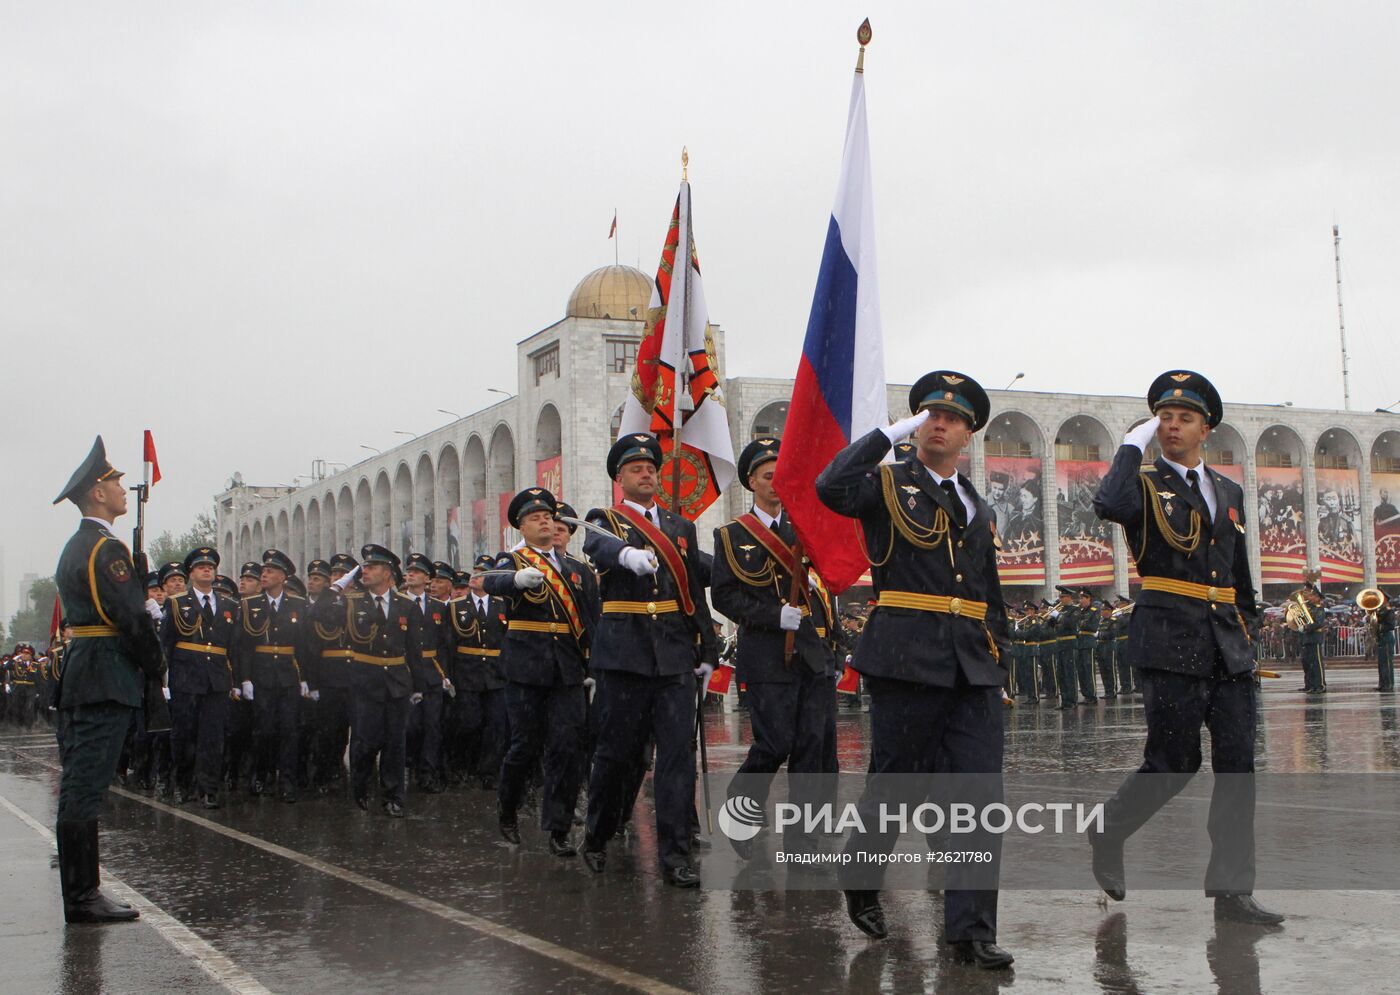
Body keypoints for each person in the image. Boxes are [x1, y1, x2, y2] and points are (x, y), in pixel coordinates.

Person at [817, 371, 1014, 969]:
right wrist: (882, 434)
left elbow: (988, 591)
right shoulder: (886, 484)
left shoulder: (976, 502)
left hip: (972, 667)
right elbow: (830, 486)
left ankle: (970, 931)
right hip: (907, 657)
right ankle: (860, 871)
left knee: (979, 798)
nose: (939, 422)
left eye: (952, 418)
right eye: (929, 413)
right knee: (895, 789)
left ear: (969, 434)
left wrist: (1001, 663)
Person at [1087, 370, 1283, 926]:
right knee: (1174, 762)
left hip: (1226, 642)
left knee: (1238, 767)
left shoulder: (1231, 491)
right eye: (1164, 417)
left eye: (1184, 418)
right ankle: (1109, 828)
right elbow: (1108, 502)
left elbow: (1237, 572)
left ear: (1207, 428)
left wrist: (1246, 626)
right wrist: (1131, 444)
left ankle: (1231, 892)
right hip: (1170, 637)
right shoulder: (1143, 484)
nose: (1172, 426)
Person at [580, 433, 719, 888]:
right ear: (619, 478)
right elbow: (595, 548)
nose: (646, 474)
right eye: (636, 468)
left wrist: (707, 650)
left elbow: (693, 594)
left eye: (651, 468)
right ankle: (598, 835)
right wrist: (625, 554)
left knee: (676, 759)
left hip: (674, 656)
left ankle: (675, 856)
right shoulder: (606, 521)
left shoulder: (680, 528)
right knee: (618, 756)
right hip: (625, 657)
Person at [51, 436, 165, 923]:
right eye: (114, 481)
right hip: (105, 673)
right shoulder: (105, 549)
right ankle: (82, 897)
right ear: (97, 493)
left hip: (87, 670)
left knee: (83, 782)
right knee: (86, 786)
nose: (122, 488)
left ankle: (84, 893)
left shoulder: (81, 545)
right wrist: (157, 664)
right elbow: (131, 620)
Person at [711, 436, 837, 857]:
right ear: (752, 481)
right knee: (774, 743)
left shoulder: (804, 529)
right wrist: (771, 615)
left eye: (781, 475)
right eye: (768, 476)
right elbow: (725, 597)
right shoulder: (731, 535)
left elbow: (824, 588)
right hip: (766, 655)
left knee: (811, 751)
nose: (776, 483)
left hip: (811, 655)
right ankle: (740, 810)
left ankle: (805, 841)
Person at [481, 488, 592, 855]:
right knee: (524, 746)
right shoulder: (513, 560)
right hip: (526, 667)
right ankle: (508, 807)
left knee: (565, 748)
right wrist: (515, 580)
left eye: (548, 516)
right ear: (521, 528)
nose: (545, 521)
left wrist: (593, 663)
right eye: (535, 518)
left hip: (567, 669)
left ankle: (558, 828)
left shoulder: (576, 570)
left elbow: (593, 618)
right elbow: (491, 581)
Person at [314, 545, 426, 817]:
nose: (365, 570)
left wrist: (418, 687)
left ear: (387, 573)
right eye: (364, 566)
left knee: (395, 742)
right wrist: (336, 588)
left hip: (397, 681)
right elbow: (316, 615)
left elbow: (414, 650)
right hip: (364, 680)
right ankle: (361, 787)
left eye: (372, 567)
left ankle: (393, 796)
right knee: (365, 741)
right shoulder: (352, 602)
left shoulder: (406, 605)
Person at [160, 547, 237, 808]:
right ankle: (184, 784)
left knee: (213, 737)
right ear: (191, 573)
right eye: (201, 566)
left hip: (216, 678)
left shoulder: (229, 605)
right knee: (184, 735)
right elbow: (167, 644)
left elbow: (234, 647)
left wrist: (236, 680)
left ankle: (210, 788)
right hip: (186, 677)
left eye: (210, 566)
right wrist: (165, 680)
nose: (207, 569)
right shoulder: (176, 603)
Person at [232, 549, 310, 802]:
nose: (264, 575)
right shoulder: (249, 604)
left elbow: (306, 646)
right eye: (264, 571)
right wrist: (244, 679)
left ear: (283, 577)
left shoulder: (298, 604)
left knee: (289, 730)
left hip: (288, 674)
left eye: (270, 572)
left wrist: (307, 678)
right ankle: (260, 775)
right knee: (262, 730)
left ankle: (287, 781)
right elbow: (242, 646)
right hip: (261, 674)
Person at [446, 555, 509, 789]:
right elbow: (448, 643)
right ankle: (462, 765)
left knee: (496, 725)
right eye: (475, 571)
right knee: (468, 723)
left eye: (483, 573)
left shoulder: (502, 605)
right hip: (467, 672)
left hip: (495, 674)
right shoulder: (456, 606)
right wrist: (449, 674)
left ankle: (489, 771)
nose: (476, 576)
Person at [403, 552, 451, 793]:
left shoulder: (438, 608)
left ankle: (428, 774)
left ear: (427, 579)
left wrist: (444, 673)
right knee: (410, 726)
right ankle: (408, 762)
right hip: (406, 673)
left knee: (433, 726)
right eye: (409, 571)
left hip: (432, 672)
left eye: (417, 572)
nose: (410, 574)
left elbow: (444, 643)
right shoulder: (398, 602)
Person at [1297, 586, 1327, 693]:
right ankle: (1311, 685)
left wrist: (1306, 627)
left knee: (1317, 663)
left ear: (1318, 598)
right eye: (1310, 595)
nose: (1310, 597)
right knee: (1308, 663)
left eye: (1313, 595)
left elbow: (1318, 623)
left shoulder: (1319, 609)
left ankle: (1320, 685)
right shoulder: (1309, 608)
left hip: (1315, 638)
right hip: (1307, 639)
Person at [1375, 592, 1395, 693]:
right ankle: (1382, 683)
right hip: (1381, 638)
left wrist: (1379, 627)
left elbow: (1391, 625)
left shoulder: (1389, 611)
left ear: (1386, 600)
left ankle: (1388, 684)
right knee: (1381, 663)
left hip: (1387, 638)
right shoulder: (1380, 611)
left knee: (1387, 662)